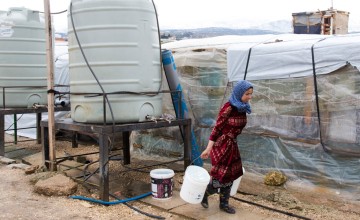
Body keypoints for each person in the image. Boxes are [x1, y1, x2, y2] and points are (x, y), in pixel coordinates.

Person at [200, 80, 253, 214]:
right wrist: (208, 148)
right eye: (247, 94)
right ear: (239, 93)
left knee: (230, 175)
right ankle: (205, 193)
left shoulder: (242, 108)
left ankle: (224, 204)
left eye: (251, 94)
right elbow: (216, 129)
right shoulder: (228, 107)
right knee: (220, 176)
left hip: (232, 146)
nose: (249, 97)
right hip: (222, 146)